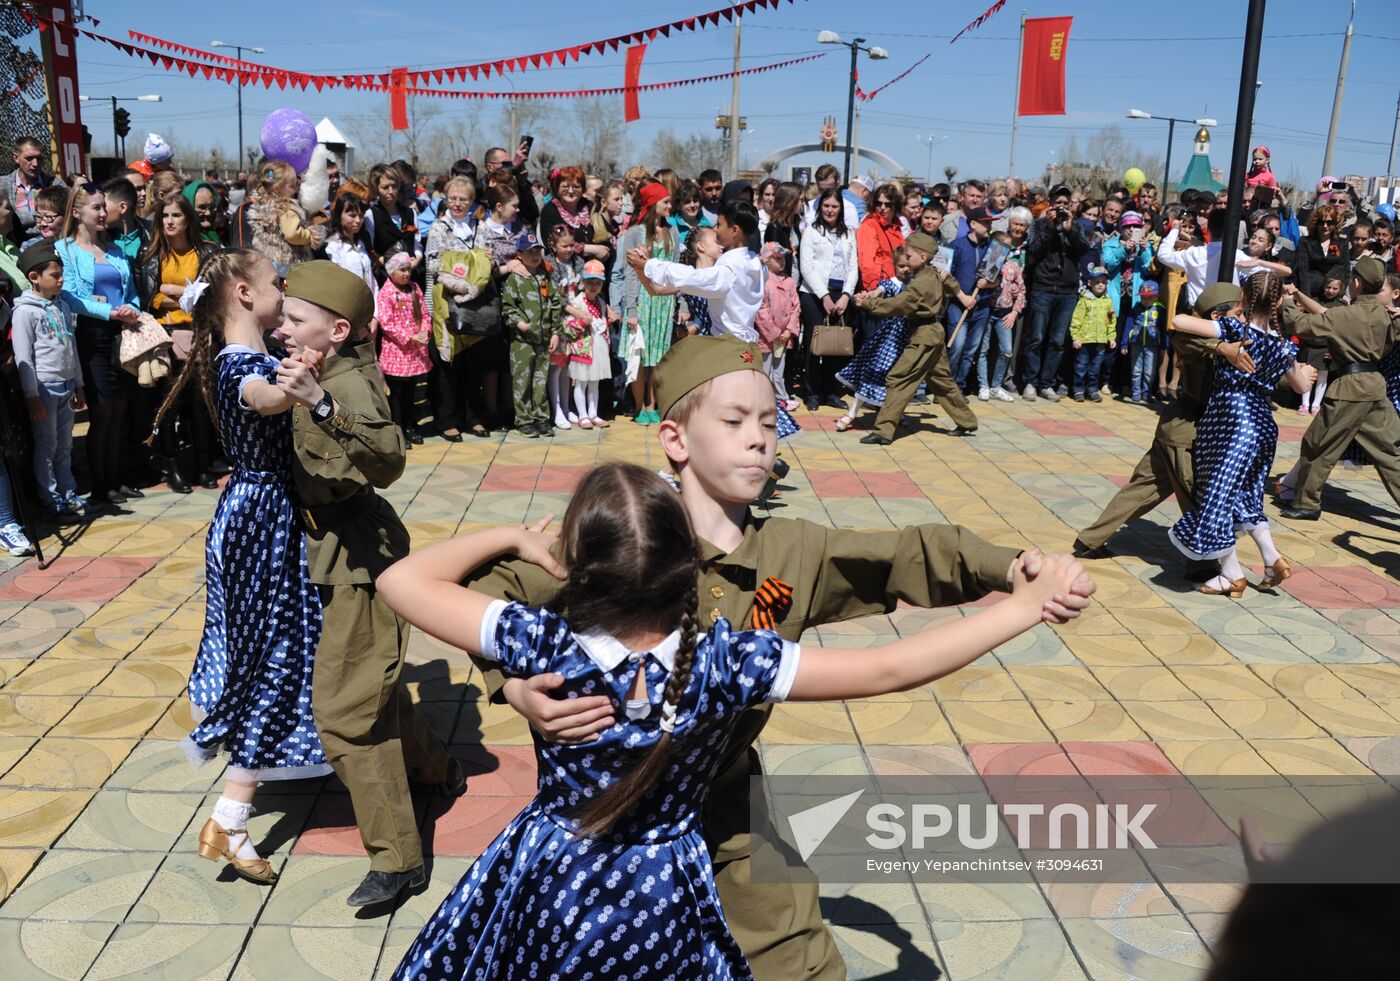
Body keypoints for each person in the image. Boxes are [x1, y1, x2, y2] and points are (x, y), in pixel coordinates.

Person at [455, 334, 1096, 981]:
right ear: (675, 438)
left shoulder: (790, 550)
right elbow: (493, 588)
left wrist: (1014, 568)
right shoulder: (629, 539)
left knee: (801, 960)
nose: (758, 438)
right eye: (733, 422)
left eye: (769, 422)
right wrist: (514, 686)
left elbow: (905, 554)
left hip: (729, 809)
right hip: (612, 825)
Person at [271, 259, 462, 907]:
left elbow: (390, 459)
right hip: (333, 548)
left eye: (296, 319)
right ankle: (437, 769)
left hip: (362, 557)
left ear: (338, 329)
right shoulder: (315, 364)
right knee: (370, 685)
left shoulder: (347, 382)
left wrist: (320, 404)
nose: (283, 327)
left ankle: (399, 858)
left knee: (347, 715)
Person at [147, 249, 330, 885]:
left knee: (281, 650)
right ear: (247, 296)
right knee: (275, 655)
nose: (285, 291)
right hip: (262, 521)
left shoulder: (244, 357)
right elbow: (261, 397)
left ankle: (232, 813)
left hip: (262, 514)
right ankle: (230, 815)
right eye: (278, 283)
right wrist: (297, 386)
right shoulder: (241, 364)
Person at [1075, 283, 1255, 562]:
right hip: (1188, 432)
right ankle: (1202, 564)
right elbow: (1184, 337)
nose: (1244, 320)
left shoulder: (1240, 341)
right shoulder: (1201, 341)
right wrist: (1221, 347)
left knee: (1143, 488)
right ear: (1217, 318)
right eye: (1239, 313)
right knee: (1200, 500)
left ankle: (1090, 540)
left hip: (1179, 430)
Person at [1168, 272, 1316, 596]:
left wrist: (1221, 345)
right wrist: (1304, 371)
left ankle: (1231, 574)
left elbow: (1179, 321)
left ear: (1244, 301)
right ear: (1278, 302)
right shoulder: (1280, 345)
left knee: (1216, 495)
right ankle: (1270, 557)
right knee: (1246, 493)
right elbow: (1302, 386)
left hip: (1230, 421)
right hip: (1264, 424)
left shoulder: (1236, 328)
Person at [1279, 257, 1400, 521]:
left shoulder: (1345, 315)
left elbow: (1300, 325)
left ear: (1357, 282)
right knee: (1391, 454)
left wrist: (1288, 302)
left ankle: (1307, 503)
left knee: (1319, 445)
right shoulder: (1384, 314)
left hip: (1350, 388)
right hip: (1375, 387)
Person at [55, 183, 142, 510]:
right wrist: (110, 311)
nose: (104, 213)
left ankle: (116, 479)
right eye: (96, 208)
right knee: (103, 410)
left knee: (120, 409)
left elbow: (130, 288)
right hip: (92, 336)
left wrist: (131, 308)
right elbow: (71, 296)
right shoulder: (66, 250)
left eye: (104, 207)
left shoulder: (116, 249)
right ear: (77, 213)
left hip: (123, 334)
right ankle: (101, 487)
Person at [854, 230, 979, 444]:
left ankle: (884, 432)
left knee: (899, 378)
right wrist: (947, 278)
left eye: (909, 256)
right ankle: (966, 421)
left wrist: (868, 304)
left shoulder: (921, 283)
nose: (906, 259)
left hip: (924, 336)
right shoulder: (931, 273)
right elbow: (950, 284)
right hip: (931, 334)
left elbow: (899, 305)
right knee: (941, 381)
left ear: (923, 257)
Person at [140, 193, 218, 493]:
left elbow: (206, 296)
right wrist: (176, 295)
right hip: (164, 339)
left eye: (176, 216)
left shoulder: (205, 252)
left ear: (188, 219)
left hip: (199, 336)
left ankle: (202, 465)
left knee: (201, 405)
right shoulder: (152, 255)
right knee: (168, 406)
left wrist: (170, 292)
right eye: (165, 216)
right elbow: (150, 297)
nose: (170, 222)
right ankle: (173, 467)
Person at [11, 242, 85, 517]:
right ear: (34, 277)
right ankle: (49, 495)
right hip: (44, 388)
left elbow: (71, 347)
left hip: (66, 384)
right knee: (47, 444)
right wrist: (31, 395)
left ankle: (68, 491)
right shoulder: (25, 312)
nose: (61, 279)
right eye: (55, 275)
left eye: (61, 273)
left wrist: (79, 384)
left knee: (65, 444)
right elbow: (23, 357)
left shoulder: (62, 306)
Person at [1022, 184, 1091, 402]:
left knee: (1057, 341)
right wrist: (1051, 227)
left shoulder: (1076, 227)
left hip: (1067, 291)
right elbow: (1033, 250)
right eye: (1057, 202)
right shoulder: (1040, 225)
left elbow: (1084, 250)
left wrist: (1069, 229)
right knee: (1036, 338)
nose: (1061, 207)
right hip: (1043, 287)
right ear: (1051, 203)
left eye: (1065, 203)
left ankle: (1047, 384)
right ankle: (1030, 382)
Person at [834, 245, 914, 430]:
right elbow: (878, 291)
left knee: (900, 379)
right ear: (895, 265)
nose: (906, 269)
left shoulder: (916, 284)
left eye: (908, 265)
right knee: (874, 373)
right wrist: (868, 295)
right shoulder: (890, 283)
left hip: (909, 338)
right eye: (901, 266)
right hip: (890, 338)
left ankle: (895, 412)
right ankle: (852, 413)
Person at [618, 184, 679, 423]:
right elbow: (630, 273)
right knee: (639, 356)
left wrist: (680, 304)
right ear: (653, 203)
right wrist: (631, 309)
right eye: (665, 202)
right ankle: (638, 405)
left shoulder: (672, 231)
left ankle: (652, 404)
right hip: (642, 301)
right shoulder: (635, 232)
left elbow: (675, 271)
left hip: (663, 302)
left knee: (657, 357)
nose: (669, 206)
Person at [798, 188, 859, 411]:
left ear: (841, 208)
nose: (830, 210)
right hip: (814, 294)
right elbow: (807, 267)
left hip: (840, 294)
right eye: (826, 206)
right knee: (815, 346)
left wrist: (846, 295)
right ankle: (812, 392)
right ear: (820, 207)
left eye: (834, 206)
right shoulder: (811, 232)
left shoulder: (848, 233)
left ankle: (831, 391)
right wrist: (823, 295)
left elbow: (853, 266)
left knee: (836, 345)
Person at [503, 230, 562, 438]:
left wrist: (556, 332)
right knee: (522, 380)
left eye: (538, 251)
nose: (535, 256)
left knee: (540, 381)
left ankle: (541, 417)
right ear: (519, 254)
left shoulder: (544, 276)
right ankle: (524, 420)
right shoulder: (515, 279)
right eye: (530, 252)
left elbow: (555, 303)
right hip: (523, 342)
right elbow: (508, 307)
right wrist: (520, 323)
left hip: (544, 339)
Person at [375, 252, 431, 446]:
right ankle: (397, 430)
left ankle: (410, 426)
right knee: (397, 393)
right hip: (396, 352)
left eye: (408, 269)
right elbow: (387, 323)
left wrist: (424, 332)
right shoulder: (387, 292)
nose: (406, 274)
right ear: (391, 272)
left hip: (414, 352)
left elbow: (424, 314)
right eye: (402, 270)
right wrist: (409, 337)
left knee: (411, 392)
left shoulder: (414, 289)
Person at [980, 210, 1030, 402]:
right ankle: (983, 384)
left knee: (1007, 350)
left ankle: (996, 385)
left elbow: (1022, 290)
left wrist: (1015, 312)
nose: (1005, 251)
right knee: (983, 349)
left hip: (1005, 314)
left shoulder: (1013, 266)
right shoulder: (988, 265)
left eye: (1008, 248)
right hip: (987, 310)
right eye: (1001, 247)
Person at [945, 206, 996, 392]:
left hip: (982, 307)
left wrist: (989, 284)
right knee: (956, 346)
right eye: (985, 224)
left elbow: (997, 279)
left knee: (970, 350)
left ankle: (959, 387)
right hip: (958, 305)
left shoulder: (993, 249)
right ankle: (946, 388)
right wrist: (962, 296)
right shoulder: (955, 246)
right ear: (973, 224)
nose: (988, 228)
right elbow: (944, 277)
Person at [561, 259, 616, 429]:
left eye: (597, 283)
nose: (593, 286)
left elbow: (601, 323)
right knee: (581, 382)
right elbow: (568, 326)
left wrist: (608, 323)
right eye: (590, 282)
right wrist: (583, 322)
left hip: (598, 348)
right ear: (583, 283)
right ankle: (582, 414)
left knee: (595, 383)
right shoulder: (577, 303)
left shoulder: (600, 302)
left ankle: (593, 413)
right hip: (583, 349)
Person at [247, 160, 327, 277]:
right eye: (292, 185)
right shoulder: (286, 209)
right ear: (277, 188)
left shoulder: (263, 204)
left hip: (267, 257)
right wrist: (310, 235)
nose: (296, 188)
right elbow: (292, 234)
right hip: (287, 262)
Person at [545, 224, 584, 429]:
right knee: (556, 367)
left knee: (569, 367)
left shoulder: (578, 262)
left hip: (576, 323)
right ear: (554, 245)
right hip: (559, 320)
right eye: (564, 246)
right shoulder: (549, 264)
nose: (569, 249)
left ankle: (567, 407)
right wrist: (574, 311)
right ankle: (556, 408)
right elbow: (554, 296)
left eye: (572, 245)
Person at [754, 241, 799, 411]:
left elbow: (796, 307)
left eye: (783, 258)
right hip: (767, 337)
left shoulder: (790, 282)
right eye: (776, 258)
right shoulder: (762, 281)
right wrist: (773, 332)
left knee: (779, 369)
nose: (782, 262)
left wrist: (789, 331)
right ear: (766, 260)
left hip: (784, 337)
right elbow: (761, 309)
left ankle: (781, 397)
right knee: (765, 369)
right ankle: (764, 398)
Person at [0, 136, 66, 246]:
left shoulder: (55, 185)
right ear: (16, 158)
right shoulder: (3, 186)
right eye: (29, 158)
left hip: (52, 246)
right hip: (14, 249)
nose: (35, 164)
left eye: (39, 158)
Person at [1297, 269, 1346, 415]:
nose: (1330, 291)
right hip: (1311, 345)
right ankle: (1305, 403)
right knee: (1307, 374)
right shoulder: (1314, 302)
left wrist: (1334, 349)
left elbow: (1341, 331)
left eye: (1334, 288)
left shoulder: (1342, 306)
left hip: (1326, 347)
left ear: (1340, 289)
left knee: (1322, 377)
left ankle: (1316, 404)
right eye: (1328, 287)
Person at [1069, 265, 1116, 402]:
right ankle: (1078, 390)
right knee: (1081, 366)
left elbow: (1111, 320)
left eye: (1103, 282)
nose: (1100, 285)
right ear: (1090, 283)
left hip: (1101, 341)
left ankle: (1092, 390)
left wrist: (1111, 337)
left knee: (1095, 369)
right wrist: (1076, 337)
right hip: (1084, 341)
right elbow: (1076, 319)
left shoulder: (1108, 301)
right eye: (1097, 282)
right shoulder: (1084, 300)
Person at [365, 164, 418, 283]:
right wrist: (385, 261)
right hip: (385, 279)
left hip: (411, 277)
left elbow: (416, 242)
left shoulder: (410, 214)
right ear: (376, 189)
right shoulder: (371, 215)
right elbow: (370, 249)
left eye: (394, 186)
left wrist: (417, 259)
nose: (391, 191)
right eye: (385, 187)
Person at [1119, 280, 1164, 404]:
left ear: (1156, 296)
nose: (1146, 300)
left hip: (1153, 345)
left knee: (1150, 371)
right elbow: (1128, 325)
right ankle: (1136, 392)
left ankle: (1146, 392)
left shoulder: (1160, 309)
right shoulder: (1137, 308)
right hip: (1136, 344)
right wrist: (1124, 343)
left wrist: (1164, 346)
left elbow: (1164, 329)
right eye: (1143, 297)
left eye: (1149, 297)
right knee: (1136, 369)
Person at [324, 193, 376, 294]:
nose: (358, 220)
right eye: (352, 215)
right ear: (339, 215)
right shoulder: (332, 247)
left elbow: (370, 279)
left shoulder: (361, 244)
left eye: (361, 216)